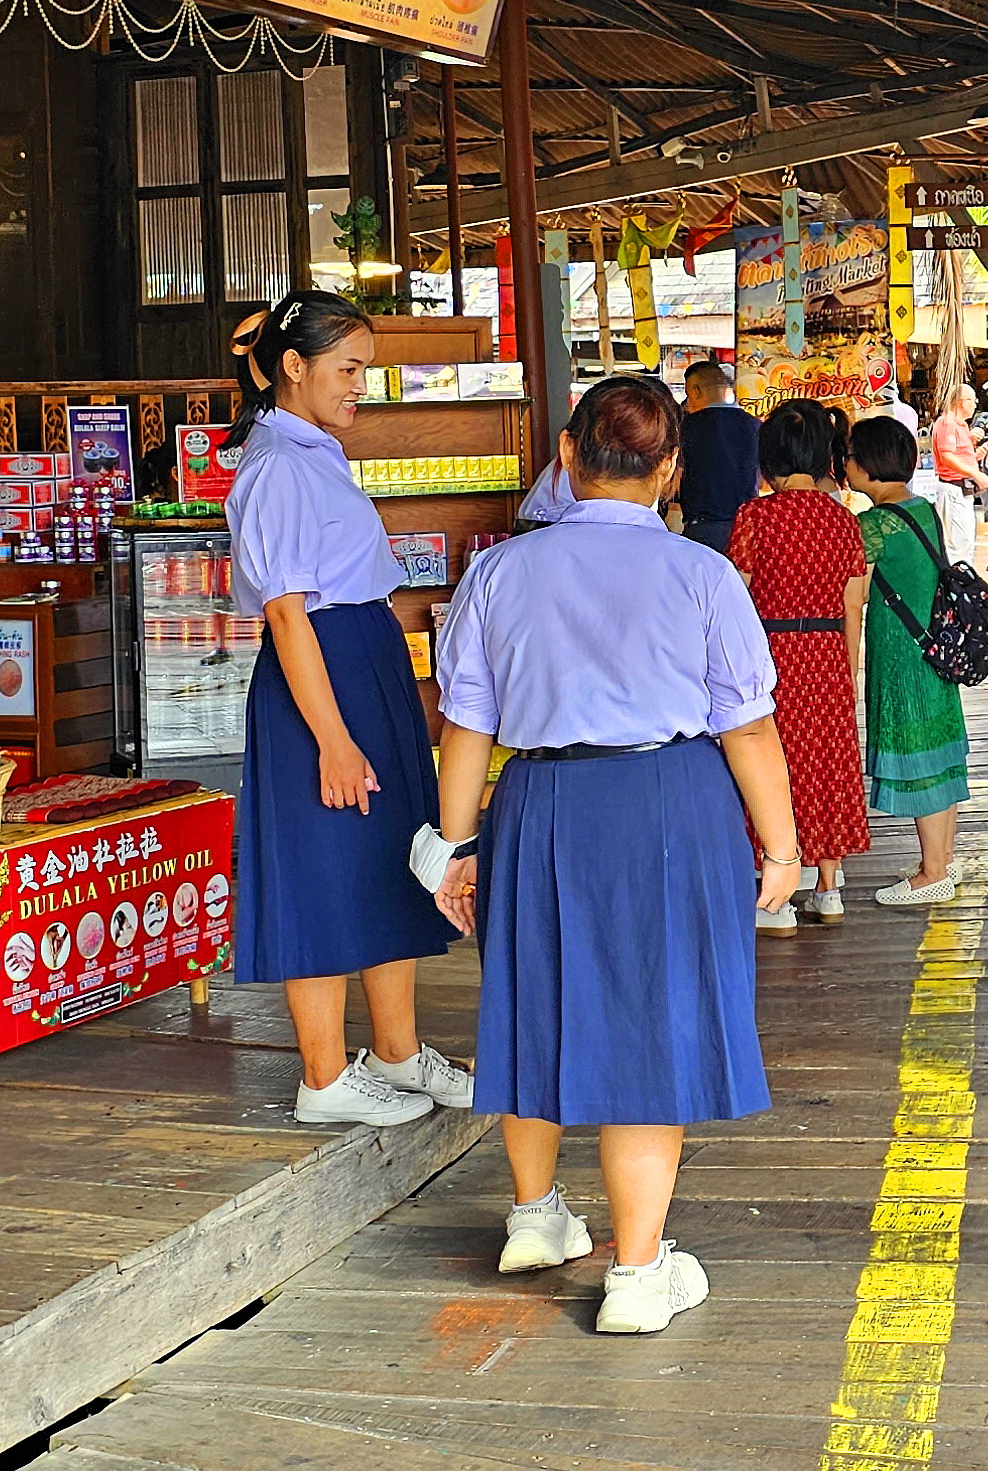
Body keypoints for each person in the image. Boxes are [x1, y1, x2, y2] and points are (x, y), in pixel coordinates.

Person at [427, 374, 798, 1336]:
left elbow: (465, 724)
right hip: (669, 805)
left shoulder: (500, 572)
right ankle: (636, 1273)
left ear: (566, 454)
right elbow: (749, 730)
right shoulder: (701, 574)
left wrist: (456, 846)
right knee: (650, 1019)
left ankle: (535, 1218)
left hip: (541, 802)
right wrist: (785, 845)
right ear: (671, 471)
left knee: (535, 997)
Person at [219, 290, 470, 1130]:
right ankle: (324, 1076)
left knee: (386, 854)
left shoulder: (312, 450)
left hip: (362, 660)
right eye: (349, 368)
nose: (363, 384)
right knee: (325, 861)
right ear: (295, 367)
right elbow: (286, 612)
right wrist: (331, 736)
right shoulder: (279, 465)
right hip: (318, 677)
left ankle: (396, 1054)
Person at [729, 398, 871, 931]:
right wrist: (849, 671)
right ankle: (828, 889)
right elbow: (853, 602)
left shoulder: (755, 516)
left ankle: (776, 898)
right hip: (830, 655)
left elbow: (736, 598)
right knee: (828, 763)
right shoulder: (843, 521)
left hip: (771, 655)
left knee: (773, 764)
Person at [849, 416, 971, 906]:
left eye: (852, 457)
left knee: (919, 757)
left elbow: (850, 599)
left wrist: (846, 663)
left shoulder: (873, 525)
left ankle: (932, 873)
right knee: (940, 756)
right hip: (935, 650)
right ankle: (940, 860)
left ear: (870, 465)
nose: (846, 465)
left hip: (902, 656)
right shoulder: (921, 508)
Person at [674, 360, 762, 554]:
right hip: (747, 527)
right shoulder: (754, 425)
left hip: (703, 528)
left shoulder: (687, 427)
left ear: (696, 391)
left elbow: (676, 475)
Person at [925, 383, 986, 573]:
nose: (976, 404)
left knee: (964, 541)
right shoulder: (947, 424)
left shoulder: (959, 425)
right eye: (972, 399)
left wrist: (974, 457)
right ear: (962, 402)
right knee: (958, 544)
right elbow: (947, 456)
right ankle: (957, 586)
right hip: (954, 489)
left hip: (962, 489)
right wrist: (974, 473)